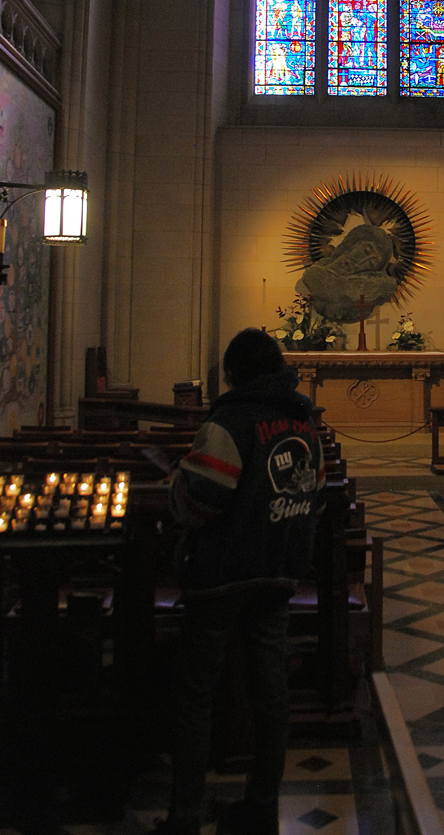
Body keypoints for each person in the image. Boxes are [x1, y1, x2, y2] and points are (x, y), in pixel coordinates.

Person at [155, 328, 326, 835]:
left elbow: (201, 500)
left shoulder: (229, 421)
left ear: (233, 373)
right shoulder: (303, 421)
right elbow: (312, 495)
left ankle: (185, 814)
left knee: (196, 695)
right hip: (277, 572)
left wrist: (175, 487)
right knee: (270, 691)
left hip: (222, 576)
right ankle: (261, 804)